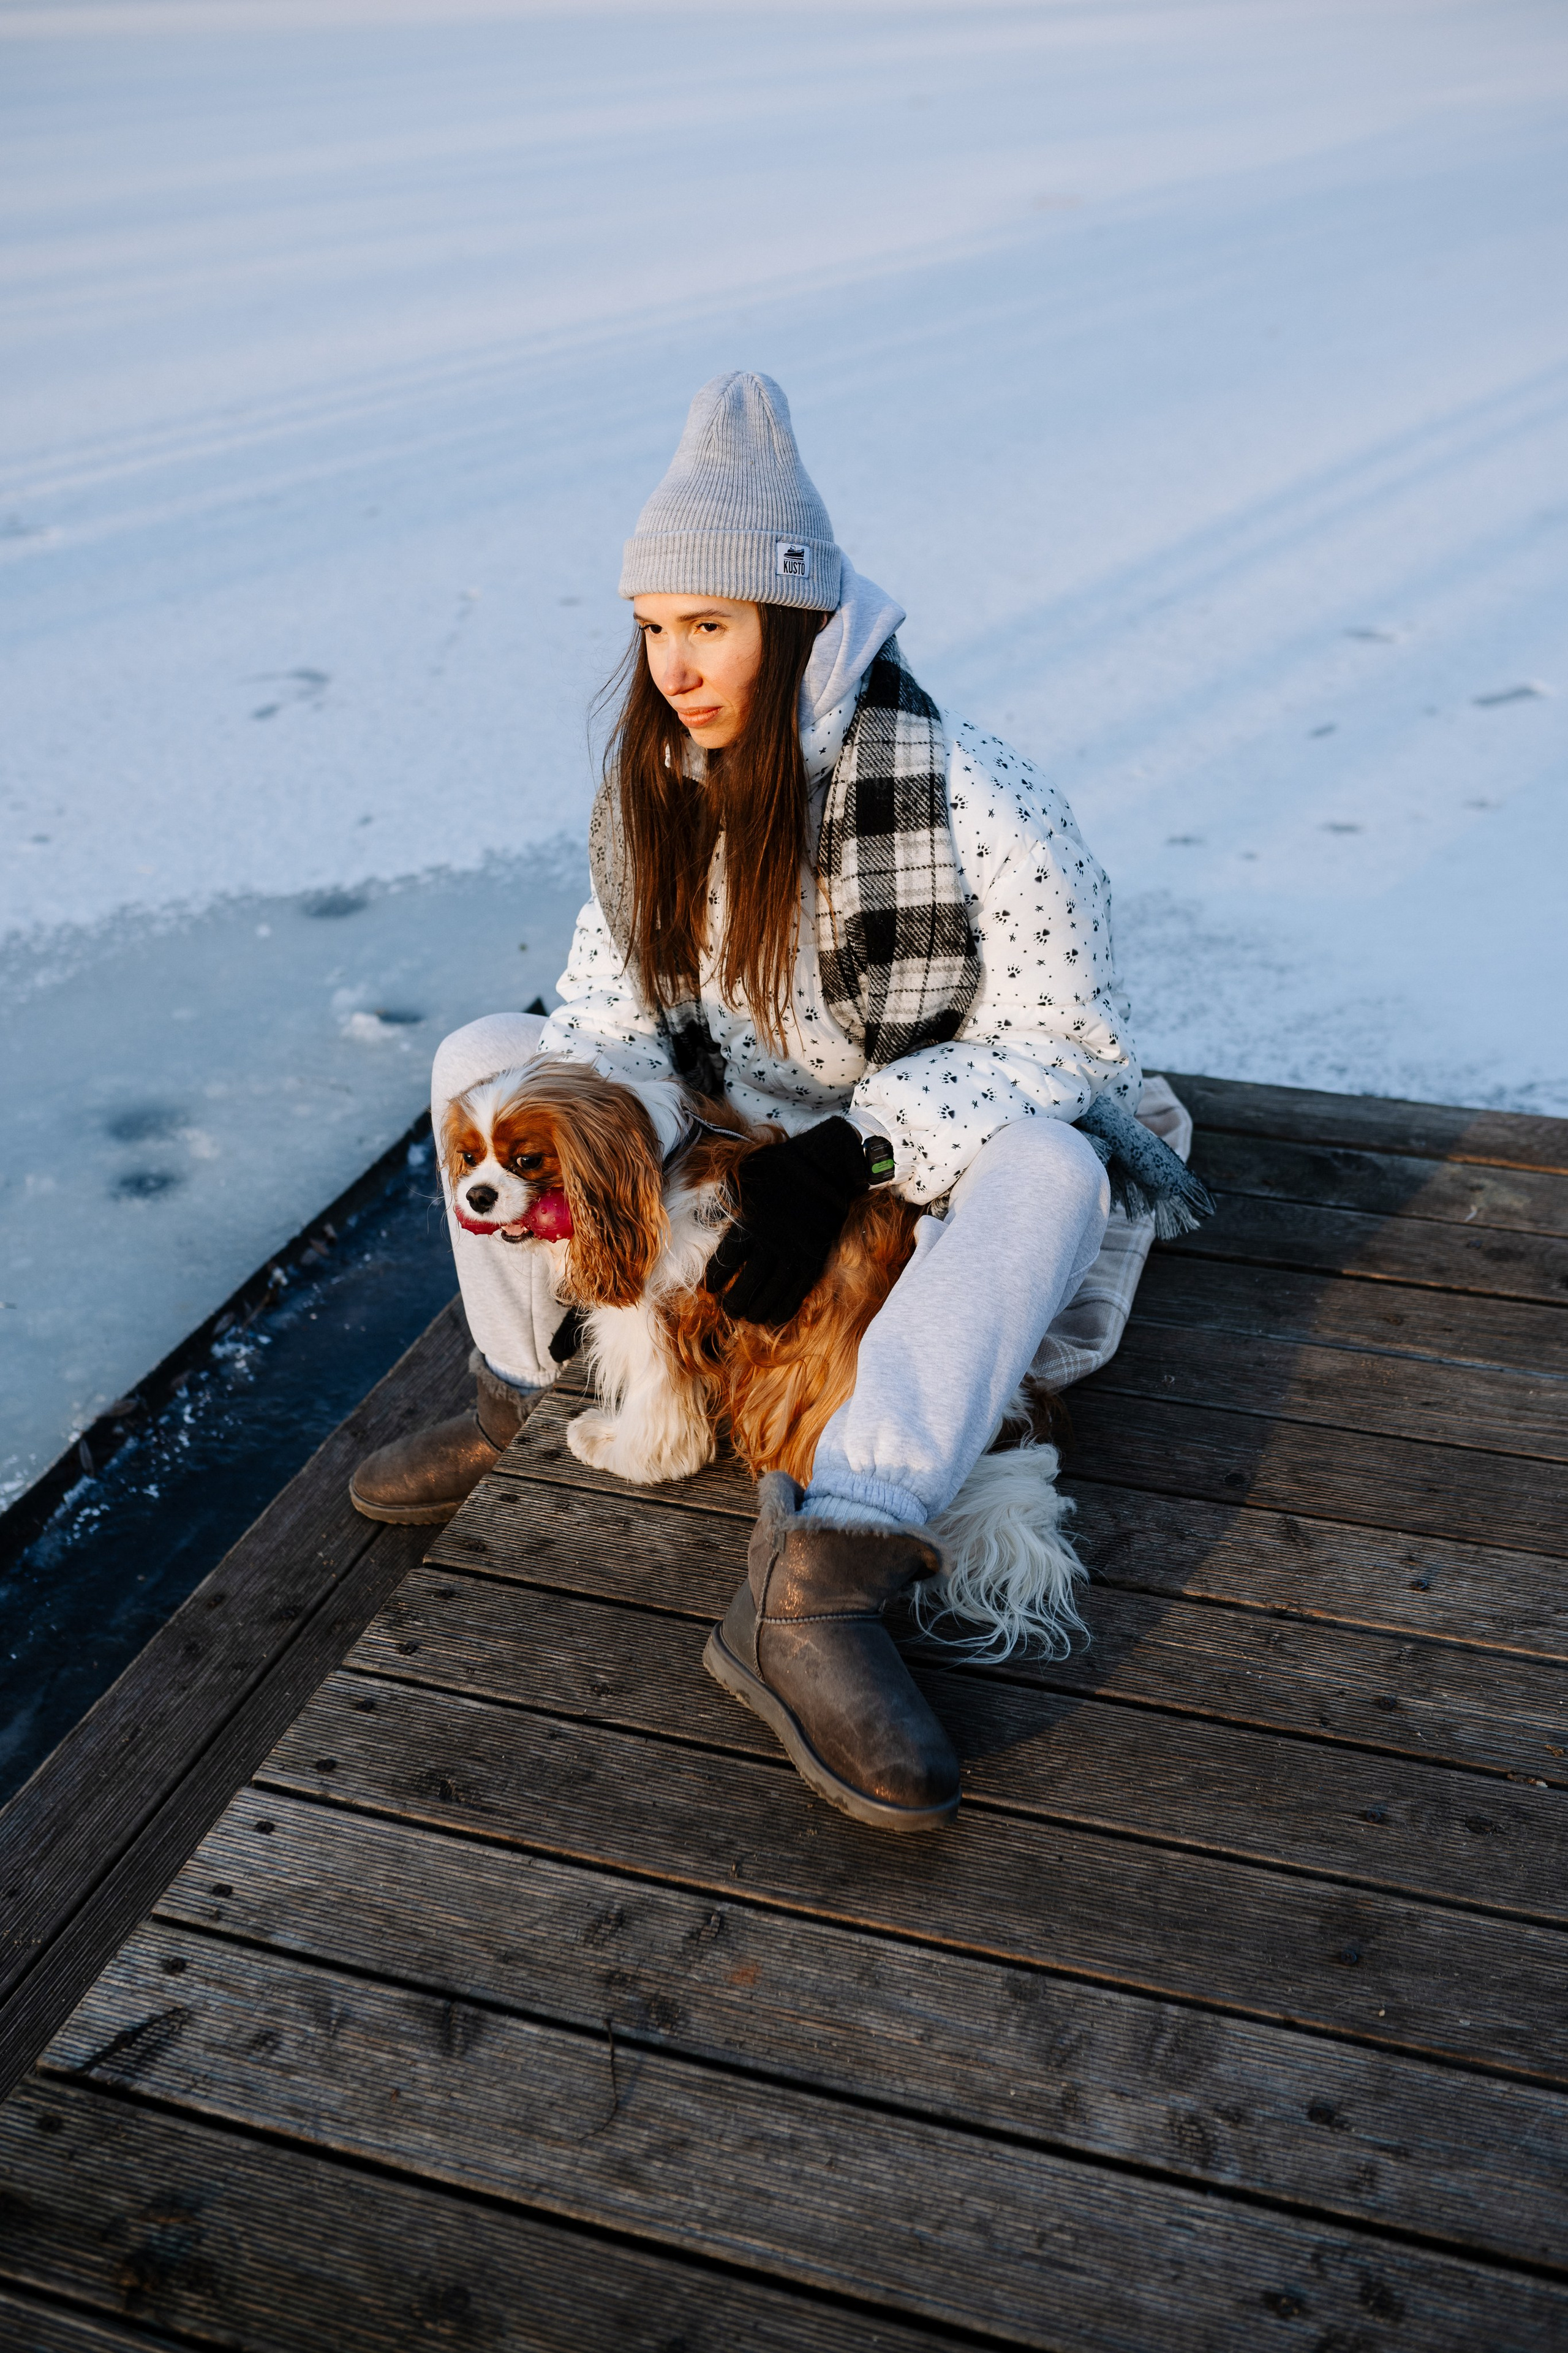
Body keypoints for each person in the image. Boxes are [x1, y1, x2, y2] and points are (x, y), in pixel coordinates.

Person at [351, 371, 1195, 1832]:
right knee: (479, 1053)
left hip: (910, 1157)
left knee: (1055, 1171)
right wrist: (631, 1130)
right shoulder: (649, 796)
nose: (674, 666)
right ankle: (524, 1381)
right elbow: (601, 1023)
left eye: (710, 626)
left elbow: (1062, 1042)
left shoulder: (972, 797)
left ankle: (827, 1569)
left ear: (794, 621)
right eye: (653, 628)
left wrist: (848, 1155)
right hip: (722, 1142)